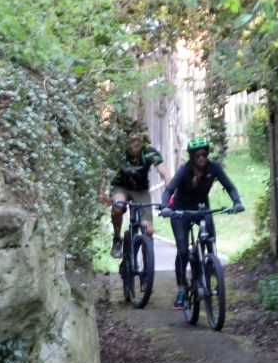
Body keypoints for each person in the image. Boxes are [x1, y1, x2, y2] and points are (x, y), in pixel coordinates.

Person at [160, 136, 244, 308]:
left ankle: (208, 265)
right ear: (192, 157)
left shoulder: (213, 168)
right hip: (181, 210)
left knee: (210, 237)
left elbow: (230, 186)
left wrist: (237, 202)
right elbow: (169, 190)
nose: (202, 158)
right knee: (183, 250)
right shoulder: (185, 169)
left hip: (201, 208)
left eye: (204, 154)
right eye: (198, 155)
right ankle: (182, 290)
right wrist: (165, 207)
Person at [103, 128, 172, 258]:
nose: (134, 144)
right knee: (118, 205)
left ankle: (147, 264)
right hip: (121, 187)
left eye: (137, 141)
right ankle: (117, 238)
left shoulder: (149, 152)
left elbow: (165, 172)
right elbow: (105, 173)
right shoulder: (119, 153)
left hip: (141, 190)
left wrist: (171, 191)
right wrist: (102, 193)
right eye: (131, 141)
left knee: (148, 230)